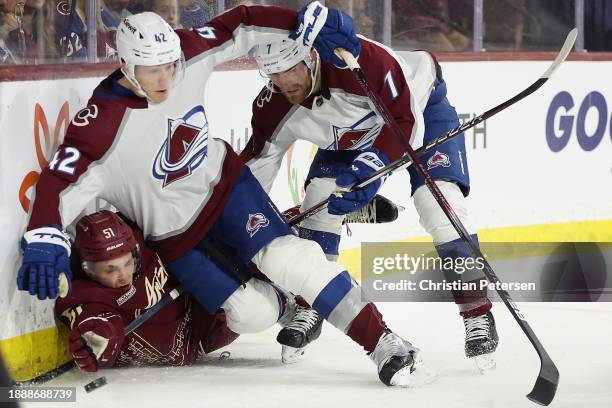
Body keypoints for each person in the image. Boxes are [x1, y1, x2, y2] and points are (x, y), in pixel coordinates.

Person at [17, 3, 424, 386]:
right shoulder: (100, 126)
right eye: (151, 70)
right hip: (177, 240)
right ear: (124, 64)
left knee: (292, 259)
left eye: (170, 66)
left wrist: (307, 23)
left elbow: (242, 21)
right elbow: (59, 180)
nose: (166, 79)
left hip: (227, 189)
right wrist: (43, 235)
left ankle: (384, 342)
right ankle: (287, 291)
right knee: (253, 314)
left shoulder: (188, 53)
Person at [240, 35, 498, 371]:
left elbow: (409, 124)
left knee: (439, 206)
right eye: (273, 75)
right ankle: (310, 303)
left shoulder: (357, 65)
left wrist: (375, 170)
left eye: (290, 70)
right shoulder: (274, 106)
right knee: (319, 200)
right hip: (353, 134)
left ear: (312, 58)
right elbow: (254, 176)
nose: (284, 83)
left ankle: (477, 311)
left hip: (417, 111)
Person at [56, 210, 320, 370]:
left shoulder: (144, 236)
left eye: (129, 262)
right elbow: (95, 325)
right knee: (252, 311)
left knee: (248, 284)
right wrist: (96, 343)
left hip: (205, 305)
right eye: (110, 269)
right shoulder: (84, 294)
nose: (124, 275)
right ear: (88, 268)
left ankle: (292, 305)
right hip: (203, 339)